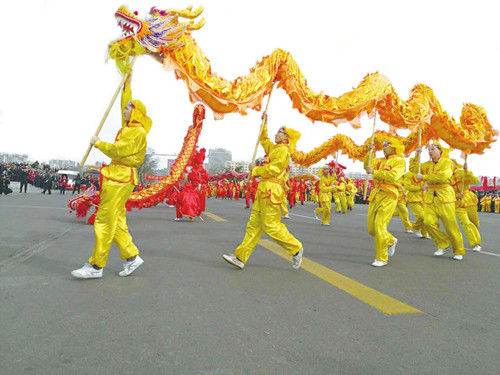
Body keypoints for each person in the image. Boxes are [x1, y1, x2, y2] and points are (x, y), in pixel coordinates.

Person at [72, 68, 152, 279]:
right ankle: (131, 257)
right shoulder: (131, 127)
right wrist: (127, 85)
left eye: (128, 108)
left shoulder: (136, 131)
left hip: (119, 177)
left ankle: (96, 266)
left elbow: (119, 150)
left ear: (135, 112)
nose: (125, 110)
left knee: (104, 220)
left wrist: (98, 143)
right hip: (118, 176)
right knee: (116, 220)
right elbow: (124, 104)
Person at [223, 113, 303, 270]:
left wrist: (256, 169)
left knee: (270, 225)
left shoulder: (284, 151)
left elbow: (274, 169)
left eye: (279, 132)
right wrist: (264, 123)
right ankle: (240, 257)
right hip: (264, 189)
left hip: (271, 190)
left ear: (286, 137)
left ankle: (295, 248)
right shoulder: (275, 149)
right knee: (253, 225)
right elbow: (263, 139)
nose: (276, 134)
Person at [410, 142, 466, 260]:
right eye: (429, 150)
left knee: (450, 225)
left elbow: (443, 176)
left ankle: (458, 250)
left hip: (445, 196)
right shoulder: (426, 164)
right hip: (430, 196)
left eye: (433, 149)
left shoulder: (447, 162)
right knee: (428, 222)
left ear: (440, 151)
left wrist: (424, 177)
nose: (430, 151)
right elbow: (414, 169)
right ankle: (443, 243)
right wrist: (416, 155)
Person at [364, 138, 406, 267]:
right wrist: (369, 152)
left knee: (379, 226)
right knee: (371, 229)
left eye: (387, 146)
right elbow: (367, 166)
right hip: (376, 194)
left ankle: (382, 258)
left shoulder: (399, 161)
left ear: (394, 148)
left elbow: (393, 176)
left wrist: (375, 172)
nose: (384, 148)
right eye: (383, 146)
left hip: (389, 194)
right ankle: (391, 240)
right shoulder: (379, 161)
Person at [451, 160, 482, 252]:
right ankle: (475, 243)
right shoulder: (445, 177)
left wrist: (467, 171)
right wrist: (456, 196)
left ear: (455, 165)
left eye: (451, 163)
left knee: (474, 222)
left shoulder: (462, 172)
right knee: (466, 223)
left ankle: (475, 234)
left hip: (469, 200)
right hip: (457, 203)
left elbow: (475, 180)